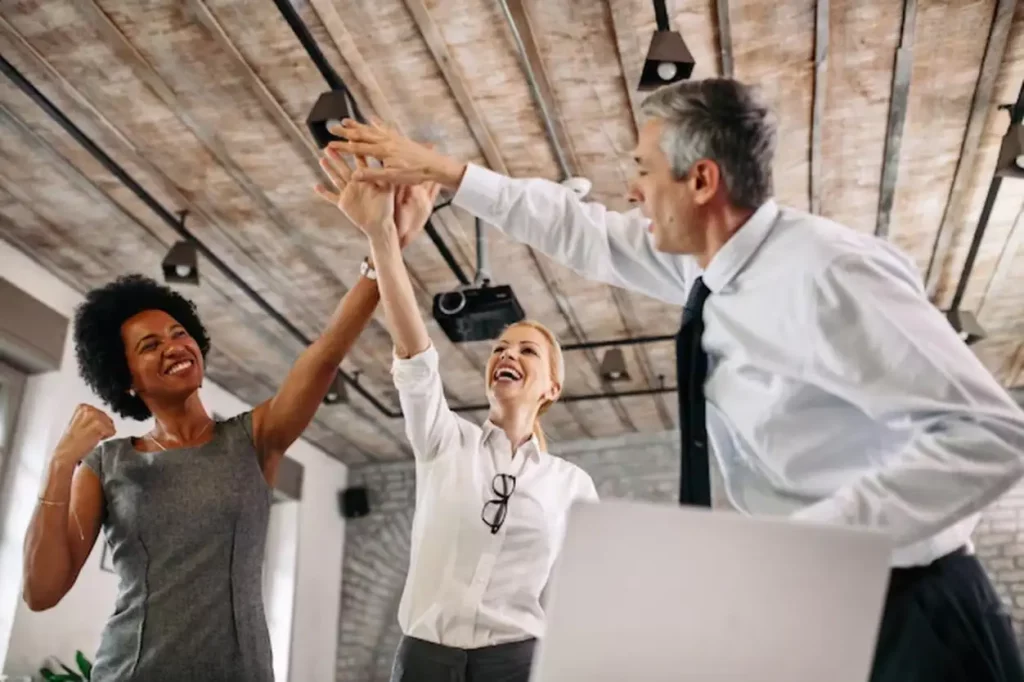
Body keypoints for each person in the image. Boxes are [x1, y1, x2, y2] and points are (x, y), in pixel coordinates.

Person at [329, 80, 1024, 682]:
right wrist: (448, 173)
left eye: (643, 171)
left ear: (700, 181)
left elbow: (992, 432)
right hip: (825, 611)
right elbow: (580, 231)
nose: (632, 192)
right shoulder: (708, 271)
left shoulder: (826, 269)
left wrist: (809, 546)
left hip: (912, 611)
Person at [22, 150, 432, 682]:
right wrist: (60, 463)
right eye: (150, 345)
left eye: (178, 332)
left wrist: (385, 246)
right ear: (125, 378)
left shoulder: (255, 438)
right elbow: (41, 591)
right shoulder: (107, 465)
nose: (174, 346)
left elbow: (327, 352)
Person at [315, 134, 598, 682]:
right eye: (499, 348)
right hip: (424, 660)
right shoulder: (446, 442)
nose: (506, 354)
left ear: (552, 388)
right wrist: (382, 237)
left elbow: (577, 601)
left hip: (520, 663)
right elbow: (415, 353)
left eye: (526, 350)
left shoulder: (573, 487)